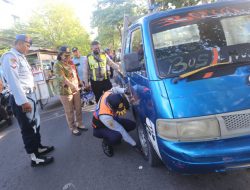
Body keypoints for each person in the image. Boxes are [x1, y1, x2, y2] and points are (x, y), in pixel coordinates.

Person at [0, 34, 54, 167]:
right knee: (28, 128)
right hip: (22, 98)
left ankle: (38, 147)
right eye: (27, 45)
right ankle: (34, 157)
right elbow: (13, 81)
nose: (28, 48)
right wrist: (23, 101)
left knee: (35, 124)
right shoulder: (10, 57)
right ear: (18, 43)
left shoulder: (21, 57)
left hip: (29, 95)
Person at [92, 87, 141, 157]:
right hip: (100, 127)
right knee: (117, 136)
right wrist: (135, 145)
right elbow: (120, 129)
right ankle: (106, 142)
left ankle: (112, 135)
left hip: (112, 119)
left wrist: (124, 90)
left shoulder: (108, 94)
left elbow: (114, 89)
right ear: (111, 107)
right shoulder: (105, 116)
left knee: (131, 125)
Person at [54, 46, 88, 136]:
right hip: (65, 91)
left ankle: (79, 124)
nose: (68, 57)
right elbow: (62, 78)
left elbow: (75, 73)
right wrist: (72, 85)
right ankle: (73, 127)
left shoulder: (71, 62)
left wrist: (79, 81)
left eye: (69, 55)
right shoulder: (57, 64)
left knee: (78, 107)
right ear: (60, 55)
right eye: (65, 55)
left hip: (75, 89)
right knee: (69, 111)